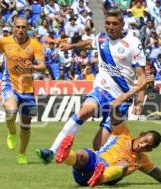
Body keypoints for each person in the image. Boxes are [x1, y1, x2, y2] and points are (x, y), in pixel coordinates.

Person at [36, 8, 147, 164]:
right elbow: (89, 43)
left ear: (122, 24)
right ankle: (52, 150)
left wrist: (140, 102)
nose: (110, 27)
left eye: (115, 23)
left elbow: (142, 76)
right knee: (84, 111)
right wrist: (70, 46)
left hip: (121, 99)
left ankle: (100, 166)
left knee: (98, 145)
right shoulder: (101, 39)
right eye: (108, 23)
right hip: (102, 90)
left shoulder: (133, 43)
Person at [55, 77, 161, 187]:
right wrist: (136, 90)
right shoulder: (122, 132)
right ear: (141, 135)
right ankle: (65, 155)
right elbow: (114, 105)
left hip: (106, 176)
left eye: (146, 145)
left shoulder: (142, 160)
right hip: (89, 168)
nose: (142, 145)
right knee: (83, 154)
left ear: (150, 149)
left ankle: (101, 176)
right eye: (144, 140)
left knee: (123, 165)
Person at [0, 17, 46, 164]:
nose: (20, 30)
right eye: (18, 27)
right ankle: (11, 131)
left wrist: (30, 67)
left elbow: (42, 67)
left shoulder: (35, 45)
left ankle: (22, 154)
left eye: (23, 27)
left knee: (26, 127)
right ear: (13, 27)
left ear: (28, 28)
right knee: (11, 111)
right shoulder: (4, 41)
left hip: (28, 90)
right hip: (10, 84)